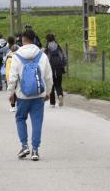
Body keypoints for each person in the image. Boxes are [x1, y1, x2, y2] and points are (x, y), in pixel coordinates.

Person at [8, 28, 53, 161]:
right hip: (39, 95)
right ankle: (35, 150)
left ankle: (24, 145)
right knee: (37, 121)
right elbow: (48, 77)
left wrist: (11, 92)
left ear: (22, 40)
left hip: (22, 95)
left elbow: (13, 77)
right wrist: (48, 92)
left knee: (20, 118)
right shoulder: (42, 55)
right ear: (34, 40)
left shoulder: (17, 56)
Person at [45, 33, 66, 108]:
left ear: (47, 39)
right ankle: (60, 95)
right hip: (59, 67)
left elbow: (45, 58)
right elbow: (63, 56)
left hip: (51, 68)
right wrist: (63, 65)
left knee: (51, 85)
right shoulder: (58, 46)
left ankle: (52, 103)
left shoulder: (47, 47)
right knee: (58, 84)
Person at [4, 36, 18, 111]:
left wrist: (7, 78)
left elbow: (6, 67)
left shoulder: (8, 56)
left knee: (11, 92)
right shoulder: (20, 56)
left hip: (10, 76)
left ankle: (13, 106)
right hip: (18, 76)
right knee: (18, 91)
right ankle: (19, 105)